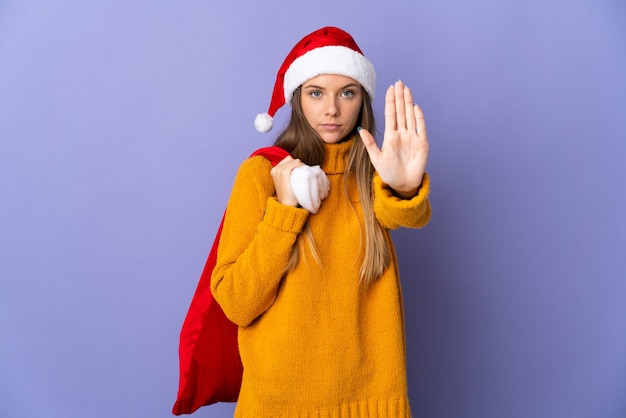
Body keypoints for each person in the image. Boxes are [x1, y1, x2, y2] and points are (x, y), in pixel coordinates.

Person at [211, 26, 431, 417]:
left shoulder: (373, 176)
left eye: (347, 93)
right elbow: (237, 302)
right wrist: (285, 211)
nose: (332, 109)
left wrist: (403, 187)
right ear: (298, 100)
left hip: (371, 404)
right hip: (278, 405)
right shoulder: (263, 174)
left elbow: (405, 215)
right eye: (316, 93)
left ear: (362, 100)